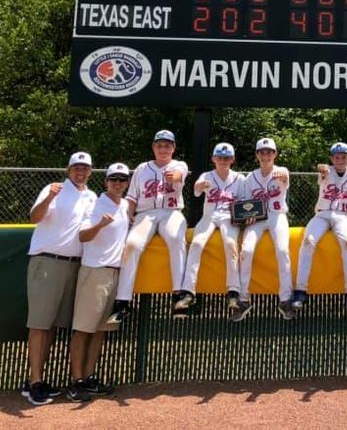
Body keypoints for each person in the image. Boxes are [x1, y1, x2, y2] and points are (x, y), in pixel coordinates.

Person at [23, 151, 98, 406]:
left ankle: (37, 380)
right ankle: (34, 383)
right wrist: (50, 198)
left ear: (90, 171)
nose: (80, 171)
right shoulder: (53, 189)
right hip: (47, 260)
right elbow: (34, 217)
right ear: (68, 169)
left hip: (74, 265)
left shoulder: (91, 196)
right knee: (40, 324)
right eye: (76, 167)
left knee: (52, 325)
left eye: (84, 168)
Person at [107, 130, 189, 323]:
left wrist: (174, 177)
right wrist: (127, 218)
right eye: (159, 145)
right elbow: (132, 198)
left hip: (172, 211)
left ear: (173, 148)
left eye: (167, 145)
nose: (163, 149)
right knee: (132, 244)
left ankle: (178, 295)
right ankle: (123, 302)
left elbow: (179, 175)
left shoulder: (179, 165)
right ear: (153, 147)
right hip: (145, 214)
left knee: (177, 239)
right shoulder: (142, 168)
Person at [67, 162, 132, 402]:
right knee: (84, 328)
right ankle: (76, 381)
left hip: (115, 273)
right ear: (106, 182)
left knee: (100, 330)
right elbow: (83, 236)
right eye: (113, 179)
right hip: (95, 270)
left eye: (122, 180)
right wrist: (100, 224)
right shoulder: (96, 204)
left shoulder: (125, 205)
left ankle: (90, 377)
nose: (117, 183)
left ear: (127, 183)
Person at [292, 141, 347, 312]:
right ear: (332, 158)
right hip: (322, 214)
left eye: (343, 156)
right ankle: (300, 291)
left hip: (342, 215)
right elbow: (323, 172)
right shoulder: (327, 170)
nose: (340, 159)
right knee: (308, 241)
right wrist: (323, 170)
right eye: (336, 157)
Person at [174, 142, 246, 318]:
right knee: (197, 243)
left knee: (230, 244)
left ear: (232, 159)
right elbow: (197, 191)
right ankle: (188, 291)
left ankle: (233, 291)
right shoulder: (207, 175)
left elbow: (245, 203)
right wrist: (200, 186)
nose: (223, 160)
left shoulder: (240, 179)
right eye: (220, 157)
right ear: (214, 159)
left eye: (227, 157)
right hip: (209, 216)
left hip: (229, 217)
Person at [237, 138, 294, 321]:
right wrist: (248, 216)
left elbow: (284, 178)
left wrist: (283, 178)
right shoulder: (250, 177)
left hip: (277, 216)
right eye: (262, 152)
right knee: (246, 250)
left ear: (275, 154)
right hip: (258, 219)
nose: (266, 155)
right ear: (257, 155)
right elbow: (246, 204)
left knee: (283, 250)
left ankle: (285, 299)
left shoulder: (281, 171)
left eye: (269, 152)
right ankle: (243, 299)